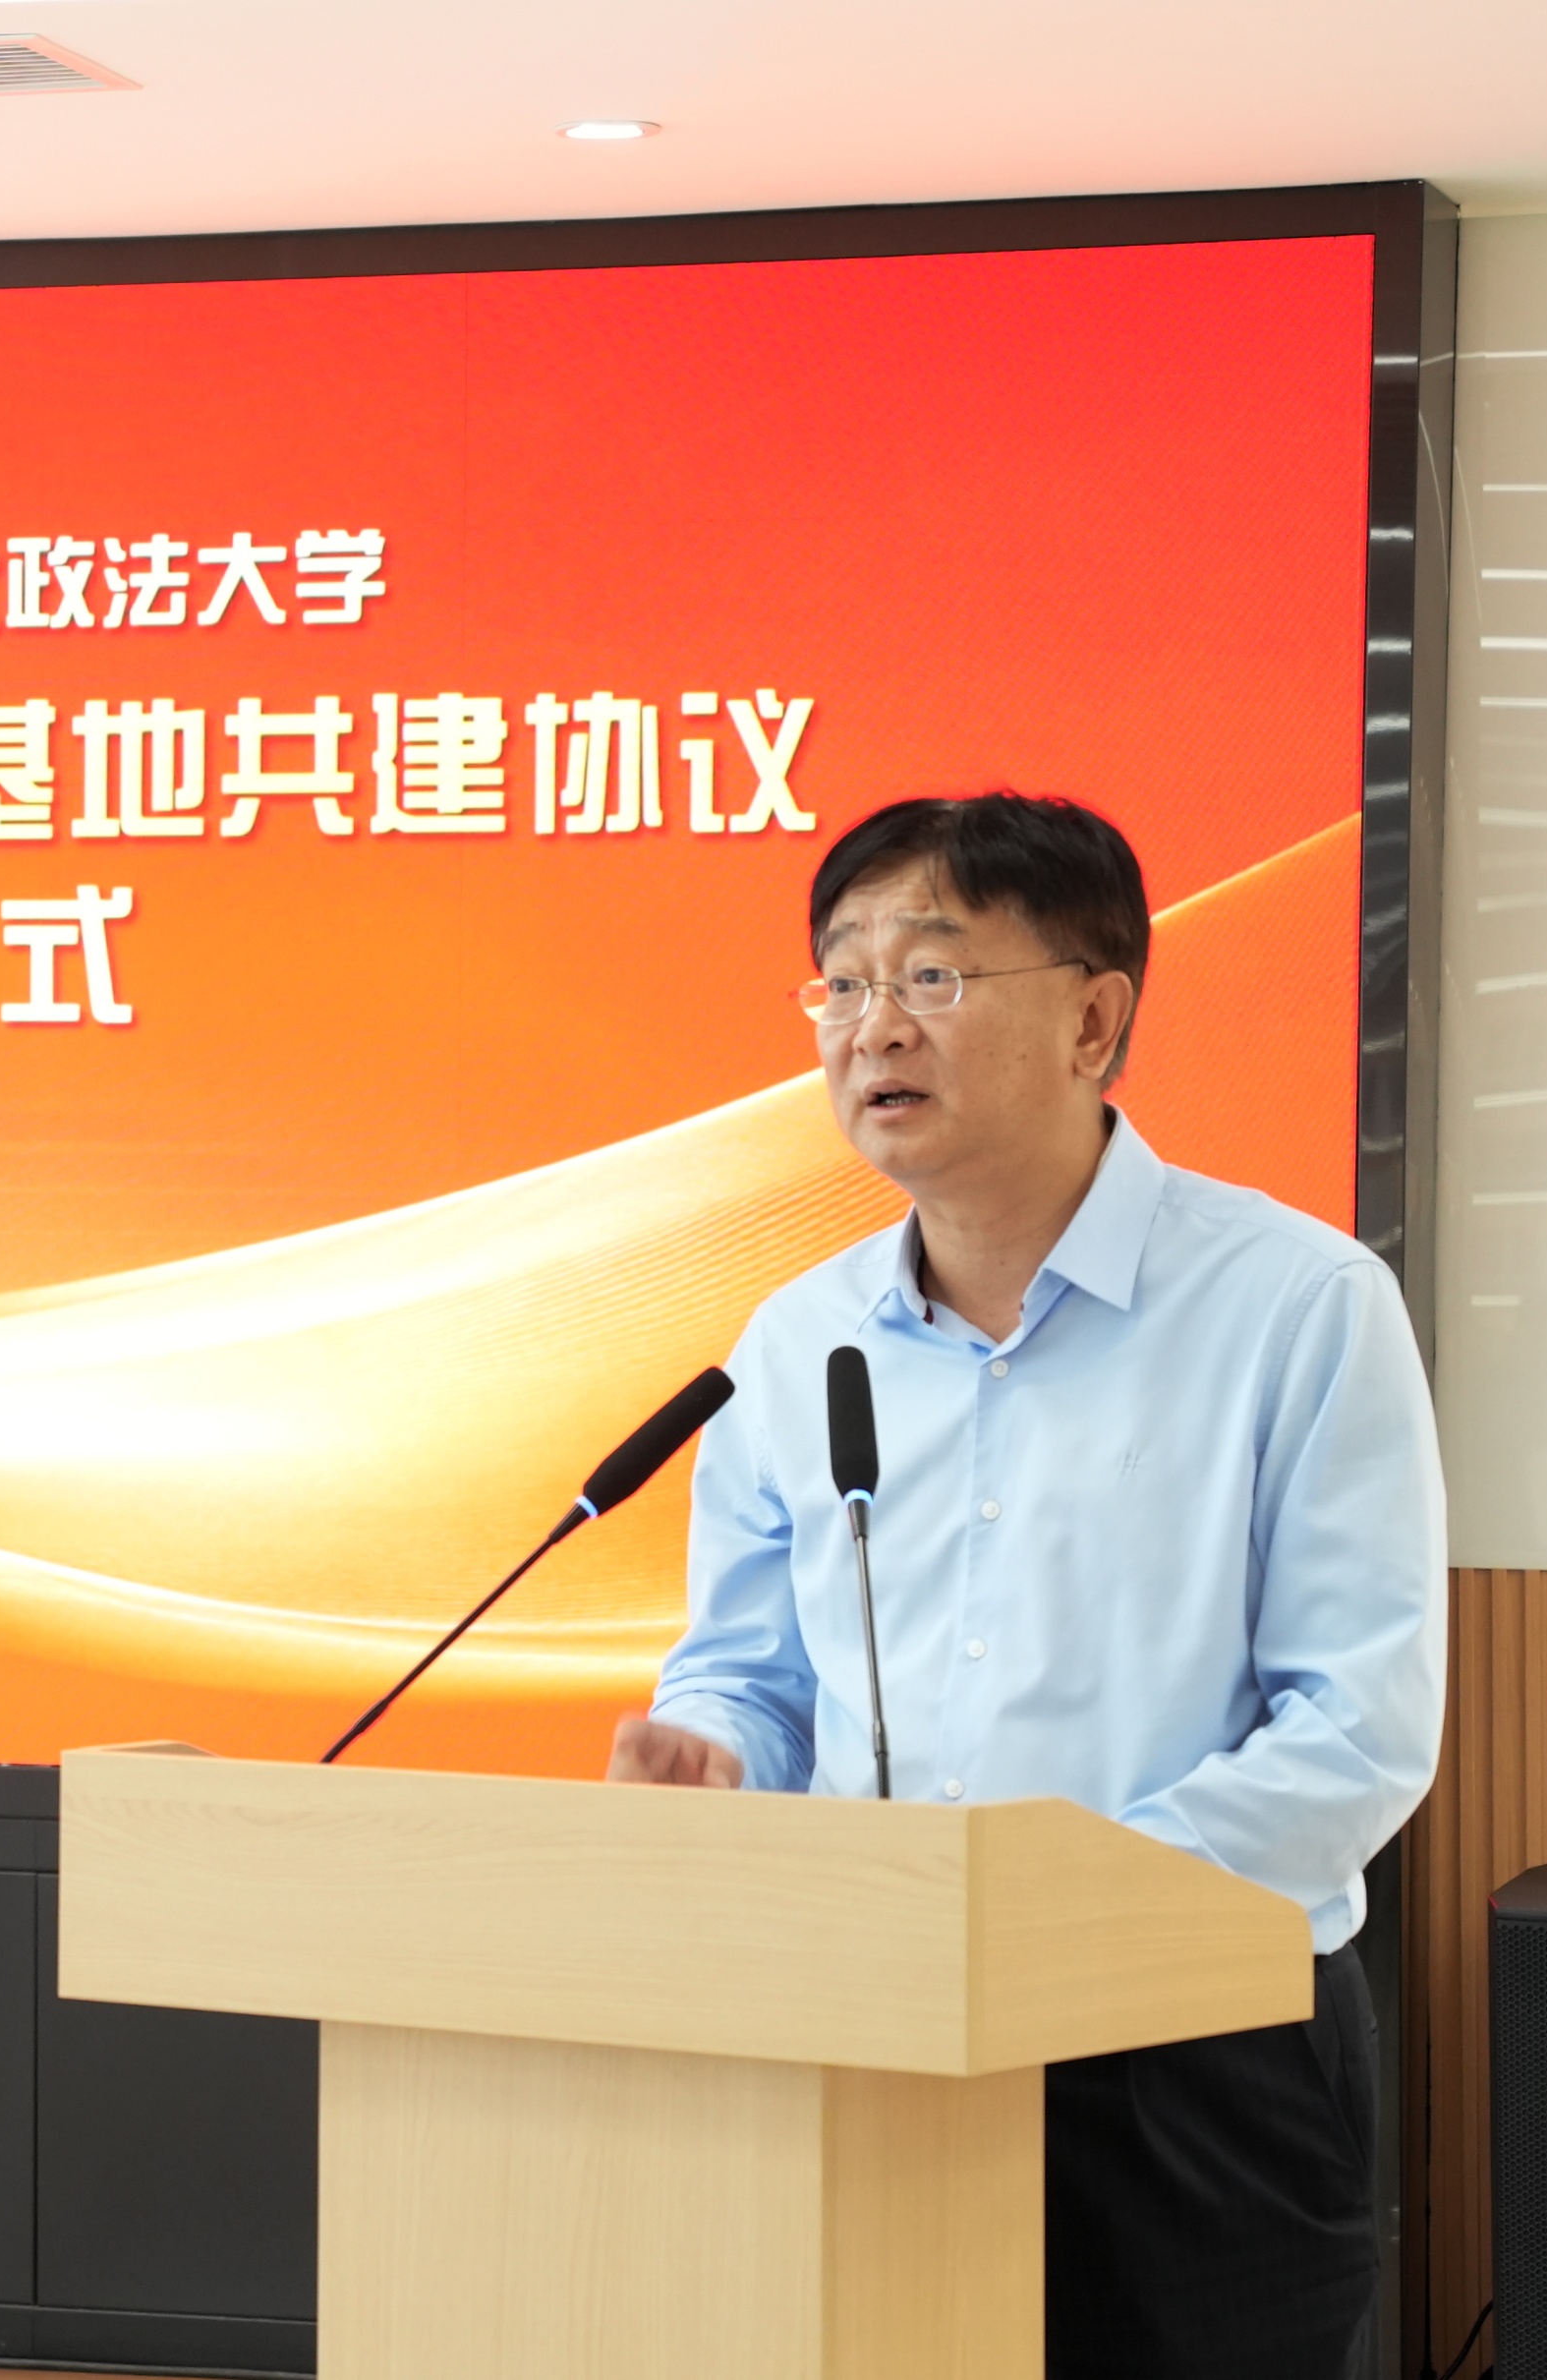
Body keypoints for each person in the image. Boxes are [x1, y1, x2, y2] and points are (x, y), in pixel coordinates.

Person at [609, 791, 1444, 2380]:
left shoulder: (1295, 1306)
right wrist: (713, 1752)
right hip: (870, 2027)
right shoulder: (796, 1341)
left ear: (1092, 1019)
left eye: (930, 974)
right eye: (842, 980)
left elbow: (1357, 1727)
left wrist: (1048, 1913)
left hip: (1191, 2060)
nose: (872, 1026)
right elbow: (751, 1673)